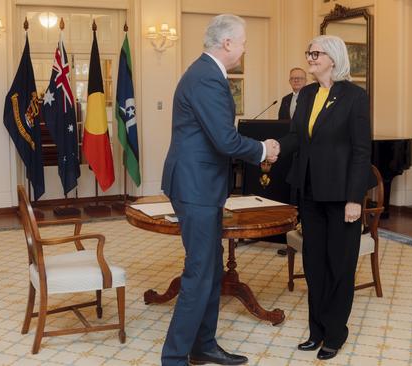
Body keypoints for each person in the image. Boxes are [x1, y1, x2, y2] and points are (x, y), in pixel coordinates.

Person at [160, 14, 279, 366]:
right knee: (199, 272)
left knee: (210, 269)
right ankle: (174, 357)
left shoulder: (205, 73)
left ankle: (204, 346)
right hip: (195, 187)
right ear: (227, 43)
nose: (244, 50)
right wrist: (262, 150)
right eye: (242, 43)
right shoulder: (206, 77)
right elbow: (225, 139)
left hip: (202, 185)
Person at [276, 35, 373, 360]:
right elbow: (295, 138)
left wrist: (355, 198)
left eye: (315, 53)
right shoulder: (306, 95)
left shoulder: (354, 97)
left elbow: (361, 151)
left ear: (333, 58)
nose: (310, 57)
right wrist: (271, 149)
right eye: (309, 52)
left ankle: (335, 333)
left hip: (341, 196)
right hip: (311, 193)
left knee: (339, 265)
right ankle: (316, 330)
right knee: (314, 264)